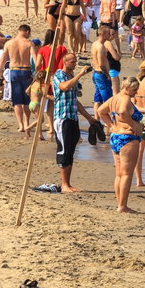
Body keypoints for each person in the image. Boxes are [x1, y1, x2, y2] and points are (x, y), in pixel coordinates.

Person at [51, 53, 99, 193]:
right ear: (64, 62)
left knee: (71, 150)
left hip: (72, 117)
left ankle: (68, 183)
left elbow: (75, 101)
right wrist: (80, 75)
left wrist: (88, 117)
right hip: (62, 118)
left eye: (75, 61)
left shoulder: (71, 78)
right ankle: (64, 184)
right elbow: (64, 87)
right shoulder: (59, 75)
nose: (74, 63)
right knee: (64, 150)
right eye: (72, 61)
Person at [96, 77, 144, 213]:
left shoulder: (115, 98)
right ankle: (122, 206)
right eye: (134, 89)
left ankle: (120, 203)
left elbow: (100, 111)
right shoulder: (125, 99)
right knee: (127, 174)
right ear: (127, 88)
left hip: (116, 136)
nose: (136, 92)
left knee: (119, 174)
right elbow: (122, 112)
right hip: (128, 138)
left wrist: (111, 125)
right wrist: (133, 124)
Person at [0, 24, 35, 134]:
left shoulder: (9, 43)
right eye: (29, 33)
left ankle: (21, 125)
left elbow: (2, 60)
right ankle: (26, 123)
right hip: (26, 71)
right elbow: (35, 60)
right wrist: (36, 74)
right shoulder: (29, 43)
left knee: (17, 100)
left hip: (14, 70)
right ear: (26, 31)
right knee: (26, 99)